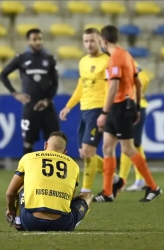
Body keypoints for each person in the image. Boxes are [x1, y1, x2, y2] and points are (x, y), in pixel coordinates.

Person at [94, 25, 162, 202]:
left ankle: (153, 187)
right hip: (125, 105)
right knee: (107, 147)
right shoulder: (127, 55)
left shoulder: (115, 58)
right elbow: (138, 83)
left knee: (128, 149)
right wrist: (137, 106)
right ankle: (107, 192)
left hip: (120, 107)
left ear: (104, 41)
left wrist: (104, 112)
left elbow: (114, 87)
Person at [59, 28, 124, 197]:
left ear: (100, 41)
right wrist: (69, 106)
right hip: (84, 109)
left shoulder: (108, 60)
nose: (89, 44)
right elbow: (81, 86)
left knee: (88, 151)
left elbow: (114, 86)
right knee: (84, 152)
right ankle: (116, 180)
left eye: (92, 41)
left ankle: (86, 190)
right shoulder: (82, 62)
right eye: (86, 41)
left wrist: (106, 111)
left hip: (99, 109)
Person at [5, 131, 93, 231]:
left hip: (30, 222)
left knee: (22, 184)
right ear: (64, 152)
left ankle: (18, 220)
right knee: (88, 195)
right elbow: (70, 200)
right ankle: (73, 223)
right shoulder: (73, 165)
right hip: (63, 224)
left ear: (45, 145)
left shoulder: (28, 158)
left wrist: (10, 209)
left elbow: (9, 193)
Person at [0, 28, 60, 155]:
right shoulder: (21, 58)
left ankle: (53, 172)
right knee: (28, 141)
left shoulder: (49, 59)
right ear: (29, 41)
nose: (38, 42)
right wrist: (15, 94)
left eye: (40, 39)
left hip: (47, 106)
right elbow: (3, 75)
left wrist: (47, 100)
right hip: (30, 106)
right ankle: (26, 173)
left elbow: (55, 83)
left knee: (55, 141)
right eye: (35, 39)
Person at [119, 63, 150, 191]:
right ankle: (140, 179)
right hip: (125, 107)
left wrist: (136, 93)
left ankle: (122, 179)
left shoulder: (128, 64)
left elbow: (145, 78)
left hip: (134, 106)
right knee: (133, 144)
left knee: (129, 143)